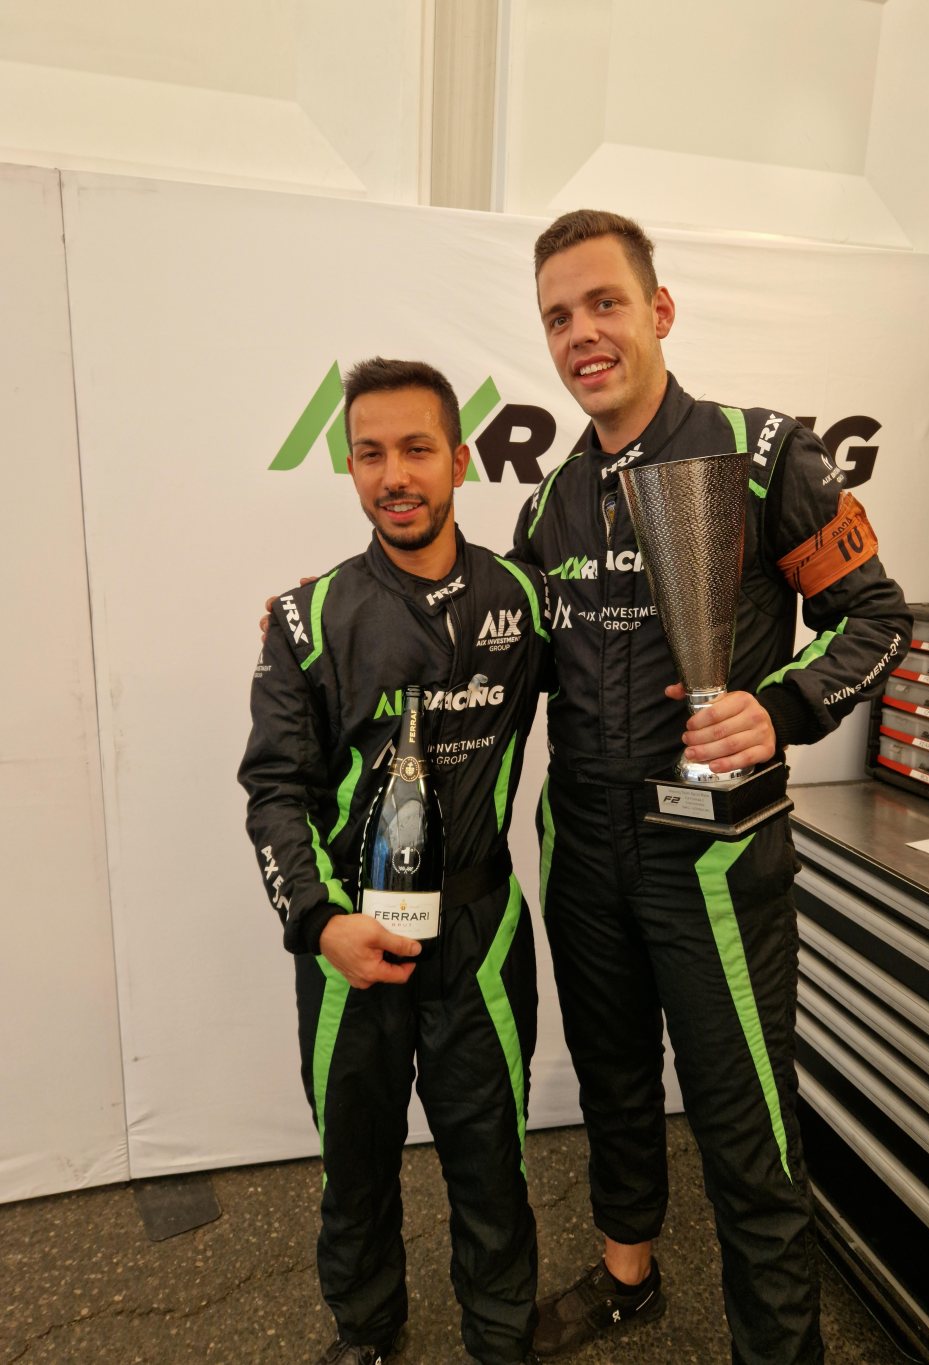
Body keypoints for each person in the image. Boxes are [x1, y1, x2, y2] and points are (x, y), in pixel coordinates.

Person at [514, 210, 910, 1364]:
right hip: (583, 847)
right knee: (613, 1083)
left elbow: (877, 619)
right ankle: (628, 1279)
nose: (582, 334)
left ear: (659, 311)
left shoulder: (765, 451)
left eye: (604, 303)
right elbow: (506, 657)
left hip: (715, 855)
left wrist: (779, 709)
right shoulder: (547, 503)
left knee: (745, 1124)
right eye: (558, 317)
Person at [238, 358, 551, 1365]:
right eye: (370, 454)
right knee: (355, 1167)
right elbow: (274, 791)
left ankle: (500, 1338)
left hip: (480, 935)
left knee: (492, 1165)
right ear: (350, 466)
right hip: (350, 941)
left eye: (417, 449)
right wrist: (319, 922)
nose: (394, 476)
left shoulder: (524, 599)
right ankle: (367, 1333)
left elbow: (626, 678)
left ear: (459, 459)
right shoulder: (308, 619)